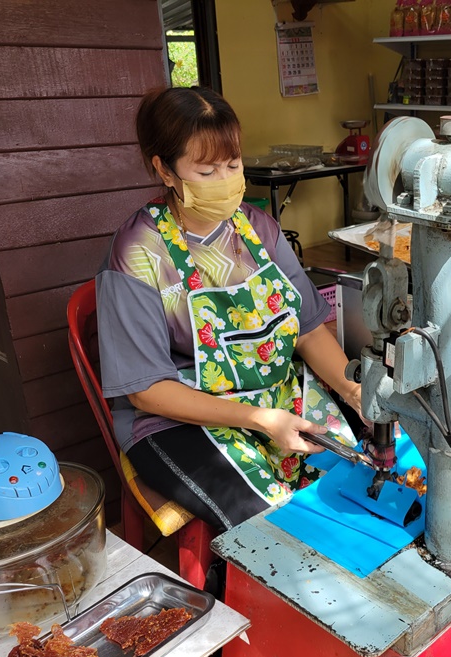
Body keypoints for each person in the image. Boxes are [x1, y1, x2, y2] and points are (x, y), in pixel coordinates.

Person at [96, 86, 362, 539]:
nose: (225, 180)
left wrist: (350, 387)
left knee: (360, 475)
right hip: (178, 417)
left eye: (233, 166)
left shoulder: (257, 228)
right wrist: (259, 420)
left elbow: (307, 327)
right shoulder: (139, 253)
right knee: (275, 526)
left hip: (273, 392)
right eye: (206, 169)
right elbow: (145, 391)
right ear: (163, 169)